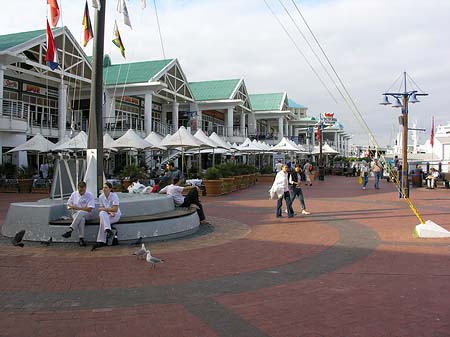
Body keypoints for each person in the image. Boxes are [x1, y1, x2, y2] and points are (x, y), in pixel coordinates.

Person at [62, 181, 95, 246]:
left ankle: (71, 228)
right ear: (78, 188)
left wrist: (77, 208)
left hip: (87, 214)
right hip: (75, 214)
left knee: (80, 213)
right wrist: (73, 207)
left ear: (85, 188)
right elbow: (68, 204)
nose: (81, 191)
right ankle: (81, 239)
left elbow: (89, 208)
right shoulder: (74, 194)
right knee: (81, 219)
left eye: (83, 190)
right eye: (80, 190)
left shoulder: (90, 195)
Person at [92, 182, 121, 249]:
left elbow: (115, 209)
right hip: (107, 215)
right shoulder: (101, 197)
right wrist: (106, 210)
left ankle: (101, 241)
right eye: (103, 188)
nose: (104, 189)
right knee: (102, 214)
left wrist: (105, 209)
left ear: (110, 189)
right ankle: (107, 229)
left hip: (115, 215)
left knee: (103, 221)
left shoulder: (114, 196)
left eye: (106, 188)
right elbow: (102, 208)